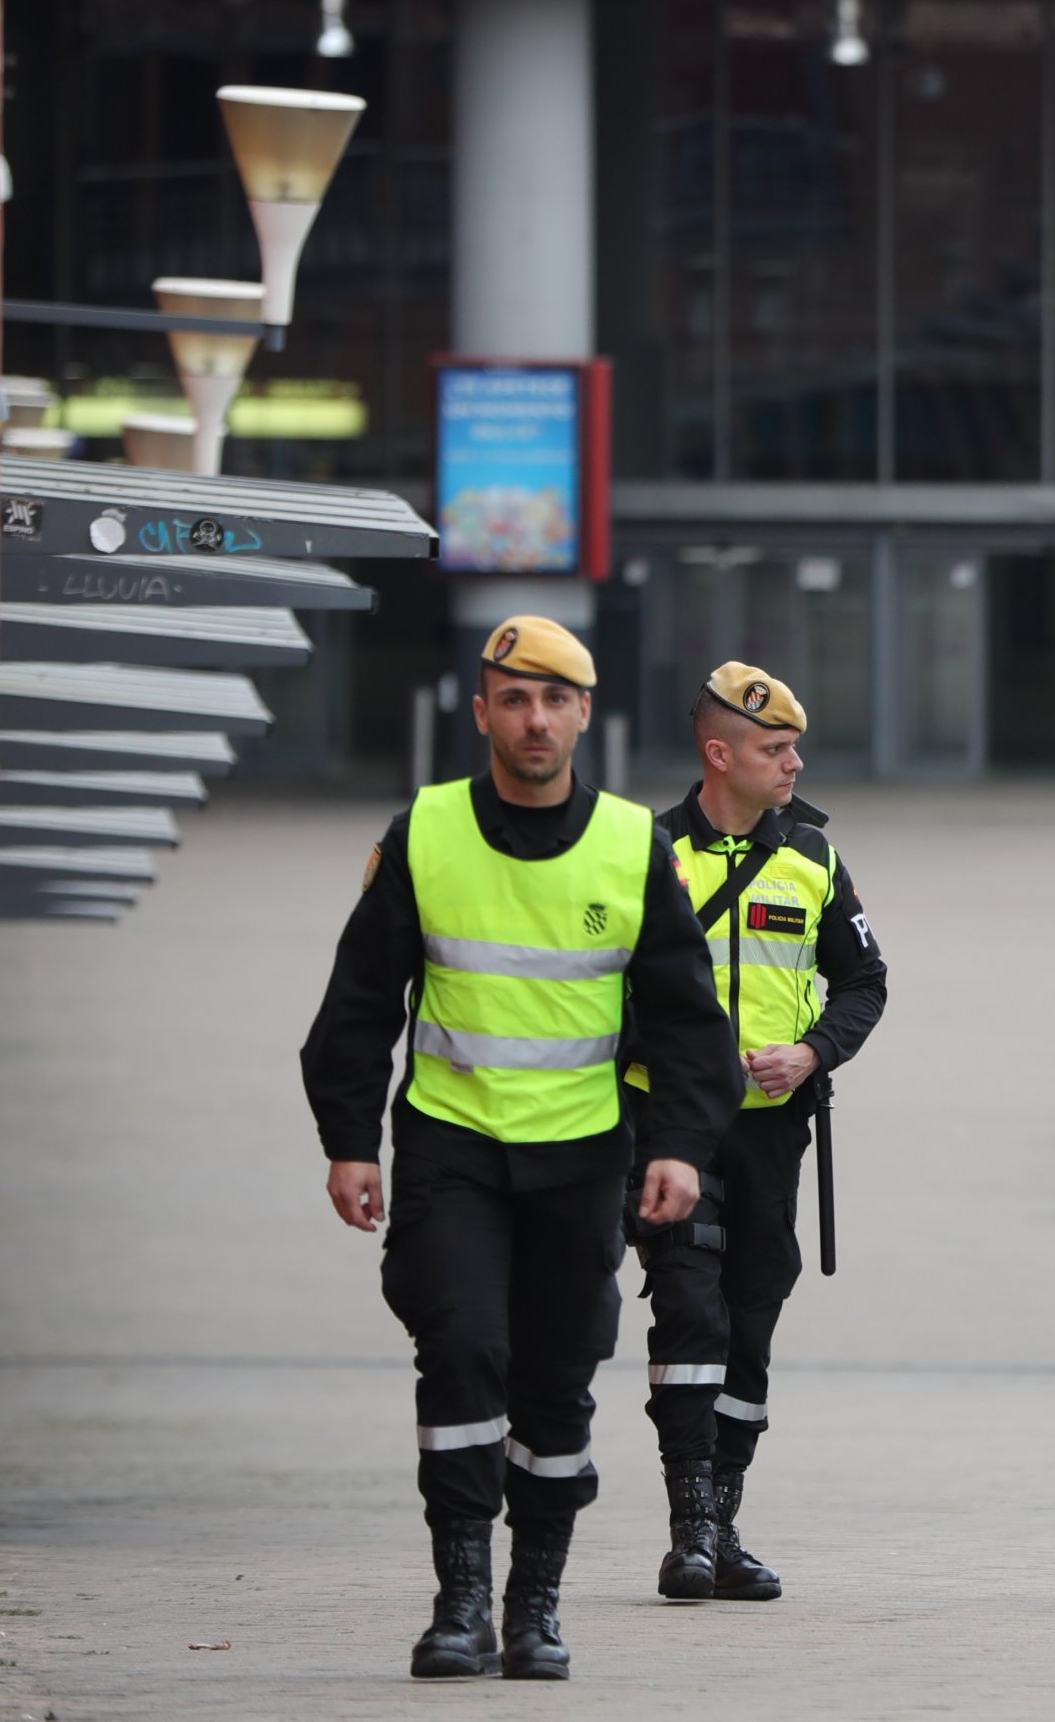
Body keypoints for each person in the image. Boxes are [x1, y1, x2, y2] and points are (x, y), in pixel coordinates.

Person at [300, 616, 743, 1681]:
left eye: (554, 698)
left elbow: (688, 1020)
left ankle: (533, 1602)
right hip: (453, 1146)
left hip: (583, 1159)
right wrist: (349, 1140)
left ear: (586, 710)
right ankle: (459, 1599)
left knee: (554, 1382)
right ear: (483, 709)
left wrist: (680, 1144)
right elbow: (360, 1001)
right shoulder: (430, 830)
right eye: (513, 697)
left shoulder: (631, 843)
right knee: (459, 1348)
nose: (534, 718)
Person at [622, 664, 888, 1603]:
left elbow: (865, 982)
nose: (795, 762)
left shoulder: (813, 856)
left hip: (774, 1134)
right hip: (668, 1129)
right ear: (718, 752)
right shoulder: (647, 852)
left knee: (749, 1318)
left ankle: (724, 1521)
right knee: (688, 1308)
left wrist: (814, 1053)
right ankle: (688, 1526)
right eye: (776, 749)